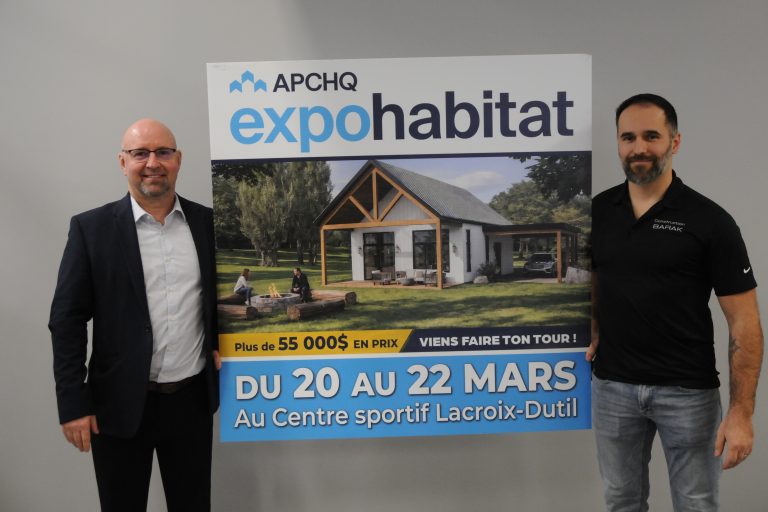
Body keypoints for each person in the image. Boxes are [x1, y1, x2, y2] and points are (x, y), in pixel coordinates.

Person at [589, 93, 763, 511]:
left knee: (696, 504)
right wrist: (592, 326)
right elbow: (595, 277)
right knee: (621, 501)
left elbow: (745, 323)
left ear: (675, 142)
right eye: (628, 137)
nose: (639, 148)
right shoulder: (597, 212)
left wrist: (741, 414)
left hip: (688, 393)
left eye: (652, 136)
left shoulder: (710, 221)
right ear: (618, 143)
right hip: (613, 388)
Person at [49, 119, 220, 512]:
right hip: (117, 405)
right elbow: (67, 320)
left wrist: (220, 343)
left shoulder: (209, 224)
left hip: (191, 403)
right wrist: (73, 403)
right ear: (123, 161)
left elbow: (220, 300)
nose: (152, 163)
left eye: (163, 152)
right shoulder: (91, 230)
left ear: (178, 159)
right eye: (140, 153)